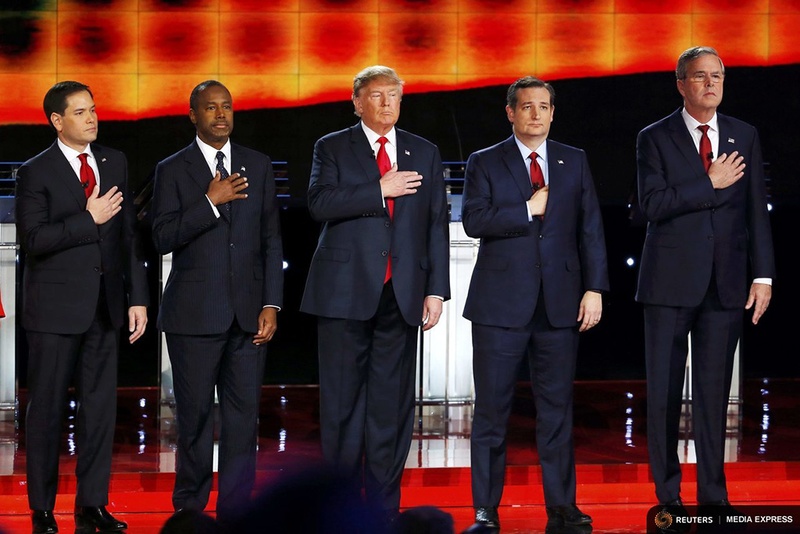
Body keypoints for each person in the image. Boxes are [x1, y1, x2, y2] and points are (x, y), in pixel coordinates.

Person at [300, 65, 450, 520]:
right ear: (357, 102)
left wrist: (436, 291)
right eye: (377, 95)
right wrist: (377, 188)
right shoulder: (332, 146)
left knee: (390, 409)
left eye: (394, 96)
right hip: (344, 293)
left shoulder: (424, 151)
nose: (387, 103)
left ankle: (383, 512)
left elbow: (435, 223)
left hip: (401, 295)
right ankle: (339, 510)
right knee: (343, 408)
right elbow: (319, 203)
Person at [461, 76, 608, 533]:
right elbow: (473, 220)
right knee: (491, 412)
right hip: (499, 307)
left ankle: (562, 505)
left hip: (561, 304)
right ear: (511, 112)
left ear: (552, 113)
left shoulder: (574, 160)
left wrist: (595, 288)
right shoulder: (485, 161)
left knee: (557, 410)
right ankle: (485, 509)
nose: (537, 114)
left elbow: (590, 228)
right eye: (527, 106)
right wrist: (527, 209)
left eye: (544, 106)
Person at [636, 46, 775, 511]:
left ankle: (715, 499)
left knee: (714, 397)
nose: (711, 83)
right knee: (664, 395)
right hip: (669, 284)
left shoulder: (744, 134)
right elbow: (651, 206)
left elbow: (757, 208)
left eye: (717, 75)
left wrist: (764, 275)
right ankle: (668, 497)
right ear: (681, 83)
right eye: (700, 76)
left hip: (727, 283)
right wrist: (707, 183)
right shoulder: (654, 137)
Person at [16, 81, 149, 534]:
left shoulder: (115, 161)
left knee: (100, 412)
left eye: (93, 109)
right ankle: (42, 510)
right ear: (57, 121)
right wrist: (86, 219)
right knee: (48, 411)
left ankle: (92, 506)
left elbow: (128, 235)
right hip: (54, 311)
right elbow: (34, 241)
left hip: (106, 308)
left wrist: (138, 298)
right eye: (80, 112)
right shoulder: (35, 172)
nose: (92, 118)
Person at [151, 80, 284, 523]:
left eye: (226, 107)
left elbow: (270, 238)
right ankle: (189, 514)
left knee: (243, 425)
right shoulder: (173, 169)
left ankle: (237, 513)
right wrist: (210, 202)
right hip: (193, 316)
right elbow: (162, 236)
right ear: (193, 115)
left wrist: (272, 302)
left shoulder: (258, 164)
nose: (220, 114)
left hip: (248, 317)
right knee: (193, 422)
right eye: (210, 108)